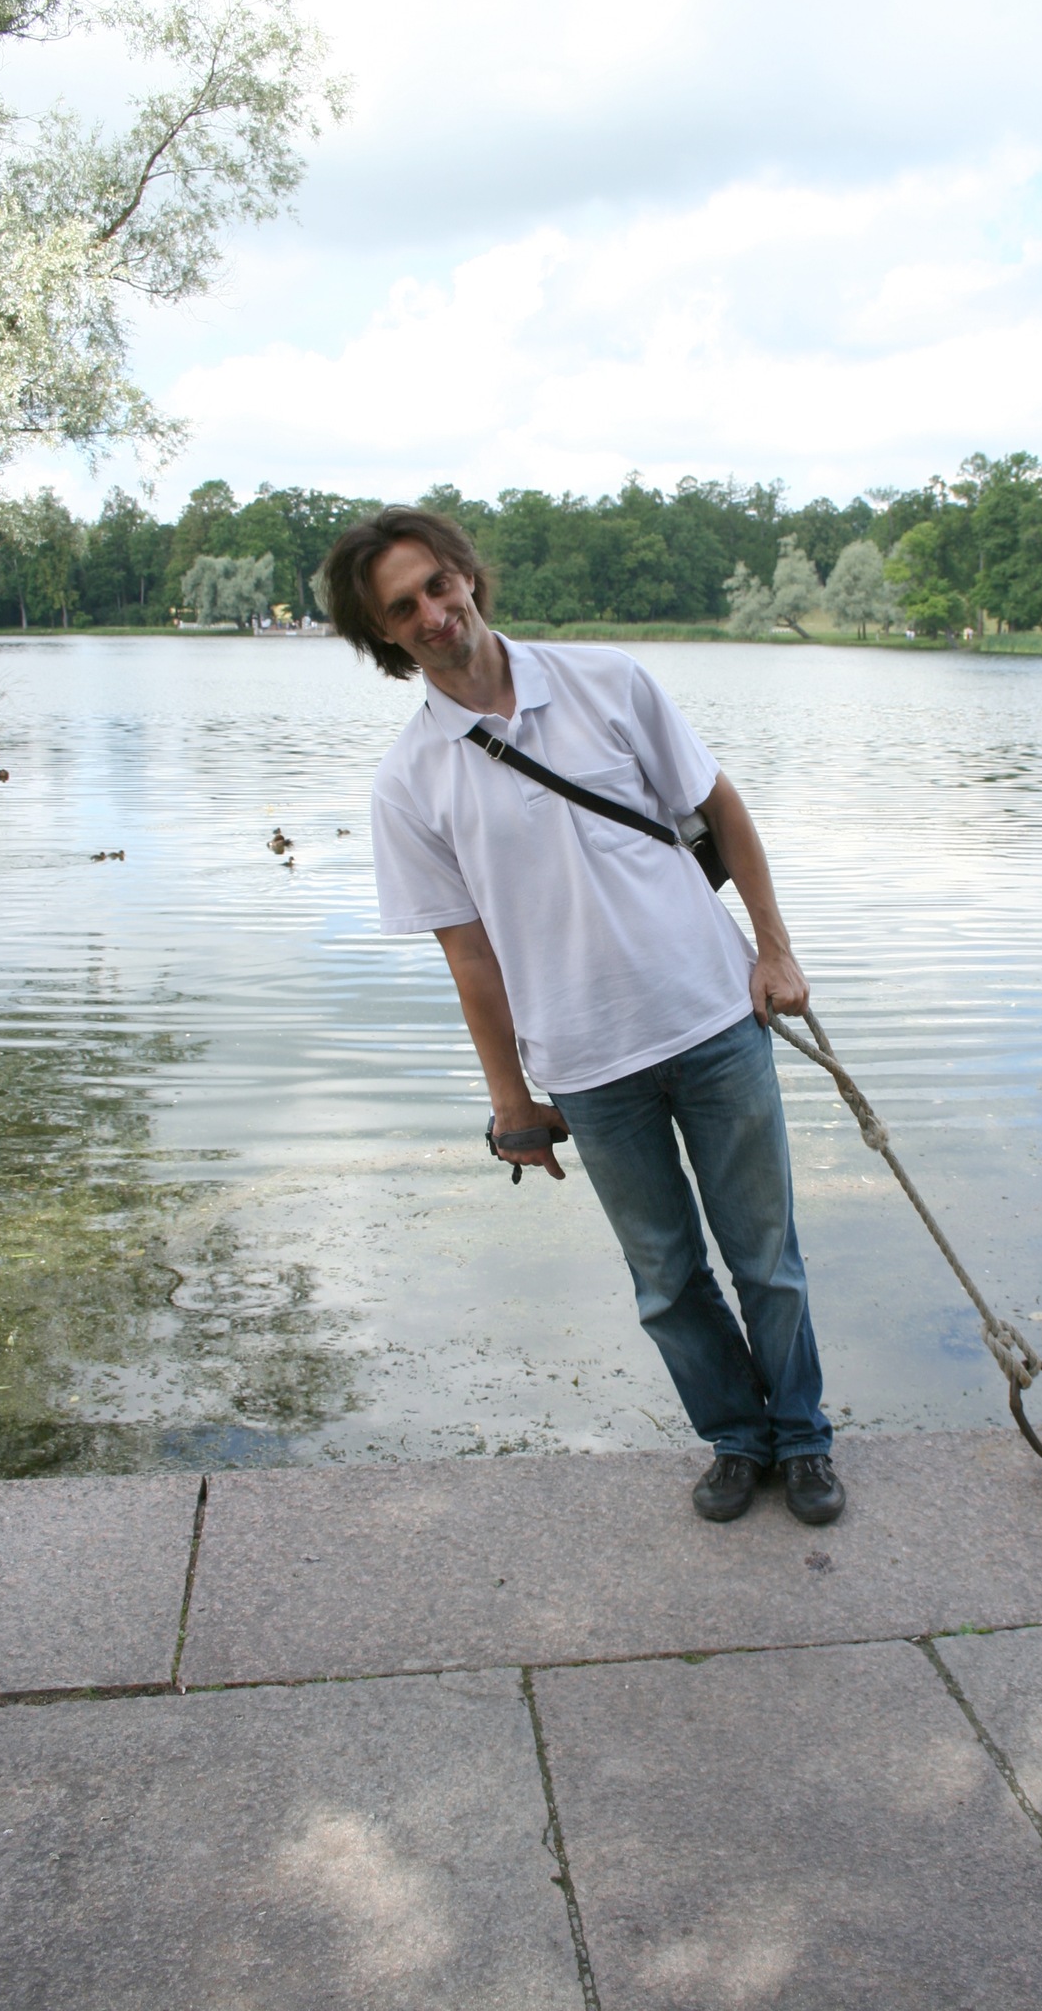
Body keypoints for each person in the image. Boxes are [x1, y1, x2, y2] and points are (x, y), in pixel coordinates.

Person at [322, 507, 844, 1527]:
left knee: (766, 1259)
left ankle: (804, 1438)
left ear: (468, 575)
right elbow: (469, 956)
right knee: (666, 1279)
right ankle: (736, 1440)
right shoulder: (408, 782)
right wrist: (511, 1101)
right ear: (382, 634)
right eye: (402, 607)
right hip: (588, 1065)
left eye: (438, 585)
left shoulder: (608, 679)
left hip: (712, 1018)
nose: (433, 613)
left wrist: (775, 950)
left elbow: (722, 808)